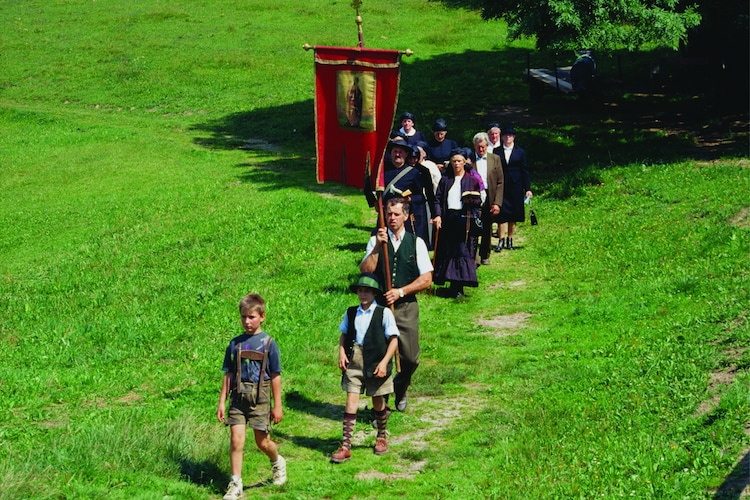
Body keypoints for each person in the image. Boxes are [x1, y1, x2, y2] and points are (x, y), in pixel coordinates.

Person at [360, 197, 433, 412]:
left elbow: (427, 278)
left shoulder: (416, 242)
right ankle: (380, 410)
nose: (392, 218)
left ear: (406, 216)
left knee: (410, 358)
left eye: (396, 214)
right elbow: (365, 270)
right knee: (378, 359)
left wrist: (401, 291)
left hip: (406, 307)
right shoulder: (376, 241)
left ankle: (400, 388)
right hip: (380, 308)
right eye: (389, 214)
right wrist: (377, 248)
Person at [217, 293, 286, 500]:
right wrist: (222, 401)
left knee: (262, 442)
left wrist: (277, 405)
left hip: (260, 398)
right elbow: (228, 374)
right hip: (238, 399)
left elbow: (275, 376)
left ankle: (277, 462)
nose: (247, 322)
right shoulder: (235, 344)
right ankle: (236, 483)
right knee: (236, 440)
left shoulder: (269, 344)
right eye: (244, 317)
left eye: (252, 317)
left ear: (262, 317)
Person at [331, 273, 400, 463]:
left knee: (378, 399)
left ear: (374, 293)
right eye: (360, 291)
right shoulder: (352, 312)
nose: (363, 294)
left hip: (376, 360)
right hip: (355, 359)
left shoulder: (383, 313)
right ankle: (346, 445)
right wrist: (342, 353)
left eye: (367, 291)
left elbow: (393, 339)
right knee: (351, 400)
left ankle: (381, 435)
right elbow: (344, 334)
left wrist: (385, 362)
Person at [432, 149, 482, 298]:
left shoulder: (471, 180)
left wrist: (471, 200)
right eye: (454, 161)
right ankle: (451, 285)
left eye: (459, 161)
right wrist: (438, 215)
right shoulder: (445, 179)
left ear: (464, 162)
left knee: (462, 251)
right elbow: (437, 199)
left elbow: (479, 200)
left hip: (464, 219)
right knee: (450, 251)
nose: (456, 164)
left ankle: (459, 286)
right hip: (449, 218)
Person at [379, 139, 438, 250]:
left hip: (405, 217)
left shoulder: (414, 173)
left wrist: (411, 199)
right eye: (395, 151)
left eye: (400, 152)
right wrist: (375, 202)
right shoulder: (383, 171)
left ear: (406, 154)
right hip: (387, 214)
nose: (397, 154)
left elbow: (421, 197)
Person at [468, 132, 504, 265]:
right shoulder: (469, 160)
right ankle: (473, 255)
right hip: (475, 195)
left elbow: (500, 182)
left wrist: (497, 203)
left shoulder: (495, 158)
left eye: (483, 147)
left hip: (490, 194)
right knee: (473, 225)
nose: (481, 150)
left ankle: (485, 254)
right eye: (478, 147)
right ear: (474, 146)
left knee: (487, 226)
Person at [496, 125, 532, 251]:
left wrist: (528, 188)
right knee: (501, 214)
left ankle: (510, 240)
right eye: (506, 135)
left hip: (516, 186)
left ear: (514, 137)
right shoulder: (496, 151)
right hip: (501, 186)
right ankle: (500, 240)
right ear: (502, 137)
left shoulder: (520, 152)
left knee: (513, 214)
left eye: (510, 135)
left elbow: (525, 170)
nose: (508, 137)